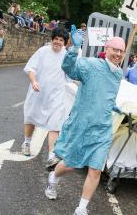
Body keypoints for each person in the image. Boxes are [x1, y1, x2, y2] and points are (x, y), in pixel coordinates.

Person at [45, 27, 126, 215]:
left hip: (103, 128)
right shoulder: (91, 64)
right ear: (107, 49)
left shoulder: (119, 73)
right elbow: (68, 69)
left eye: (121, 51)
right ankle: (53, 176)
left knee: (96, 169)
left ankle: (81, 209)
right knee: (71, 164)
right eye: (115, 49)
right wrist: (74, 48)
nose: (118, 54)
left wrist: (111, 104)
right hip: (83, 125)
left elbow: (108, 92)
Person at [21, 28, 69, 171]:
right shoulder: (43, 51)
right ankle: (27, 142)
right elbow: (30, 68)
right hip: (38, 93)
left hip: (57, 95)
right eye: (56, 38)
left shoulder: (67, 56)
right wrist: (34, 81)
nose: (58, 42)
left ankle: (51, 156)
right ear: (52, 38)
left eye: (61, 40)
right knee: (31, 117)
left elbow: (71, 76)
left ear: (64, 43)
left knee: (55, 125)